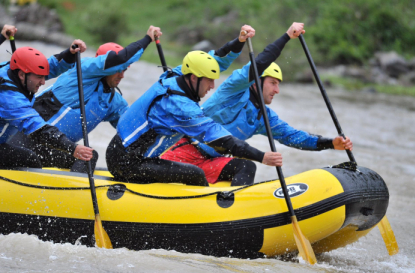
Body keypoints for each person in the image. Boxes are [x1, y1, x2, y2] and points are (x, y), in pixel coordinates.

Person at [161, 22, 353, 186]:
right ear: (256, 81)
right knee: (241, 165)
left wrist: (330, 143)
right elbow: (259, 63)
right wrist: (286, 36)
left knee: (245, 166)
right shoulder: (233, 89)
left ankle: (234, 218)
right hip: (182, 152)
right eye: (273, 83)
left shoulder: (263, 117)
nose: (277, 90)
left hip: (211, 161)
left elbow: (294, 137)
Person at [106, 25, 283, 186]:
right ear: (193, 78)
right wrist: (262, 156)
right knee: (194, 173)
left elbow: (217, 58)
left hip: (121, 150)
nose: (213, 86)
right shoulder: (181, 107)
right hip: (128, 163)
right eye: (209, 81)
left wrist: (239, 42)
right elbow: (220, 138)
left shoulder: (175, 75)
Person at [9, 25, 162, 173]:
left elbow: (133, 129)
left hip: (54, 147)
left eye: (124, 70)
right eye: (117, 70)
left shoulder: (114, 102)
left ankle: (72, 196)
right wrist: (147, 39)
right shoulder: (83, 71)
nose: (122, 75)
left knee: (88, 157)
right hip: (26, 137)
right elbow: (120, 59)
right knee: (31, 157)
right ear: (105, 67)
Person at [0, 38, 93, 169]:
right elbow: (39, 129)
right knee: (30, 160)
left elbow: (48, 67)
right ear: (21, 74)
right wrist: (73, 148)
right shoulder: (10, 99)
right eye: (39, 77)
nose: (44, 82)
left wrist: (69, 54)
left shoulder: (10, 69)